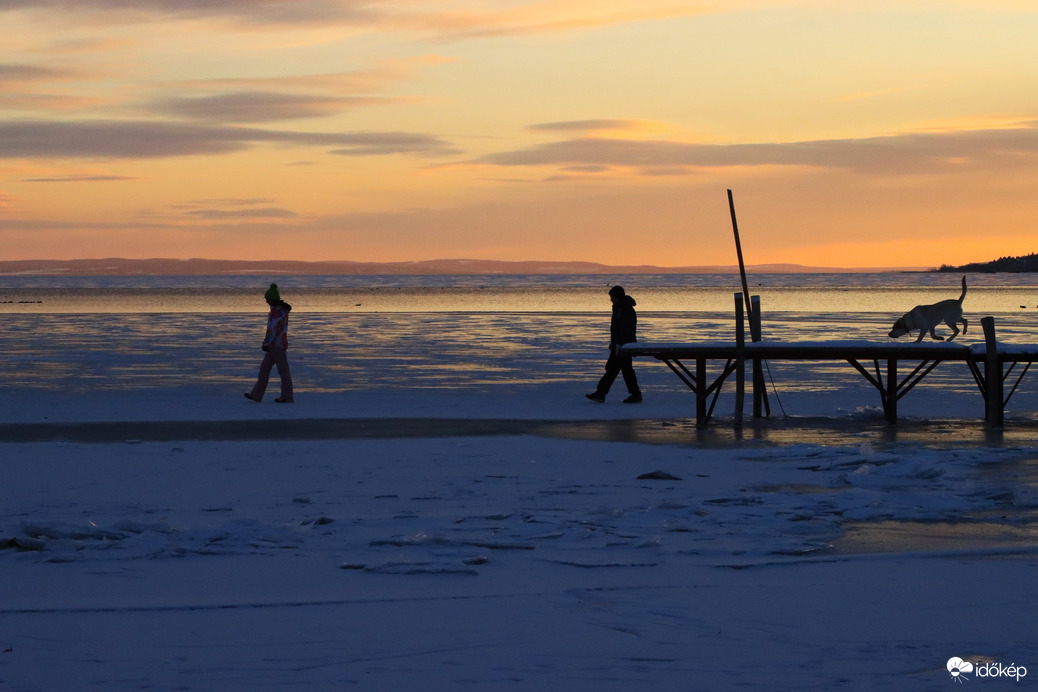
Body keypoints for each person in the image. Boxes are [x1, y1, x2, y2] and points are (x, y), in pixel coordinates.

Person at [586, 285, 642, 404]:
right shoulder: (620, 308)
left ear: (617, 297)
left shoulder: (624, 309)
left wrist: (620, 345)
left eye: (612, 297)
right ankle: (633, 394)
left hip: (623, 346)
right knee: (620, 370)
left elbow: (626, 329)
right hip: (620, 345)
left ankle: (602, 393)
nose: (611, 299)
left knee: (616, 370)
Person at [244, 283, 294, 403]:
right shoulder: (281, 310)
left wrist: (266, 343)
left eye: (267, 299)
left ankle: (287, 397)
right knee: (265, 369)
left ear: (271, 299)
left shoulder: (277, 312)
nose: (266, 301)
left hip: (276, 345)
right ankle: (256, 395)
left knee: (282, 371)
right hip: (276, 345)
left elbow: (273, 330)